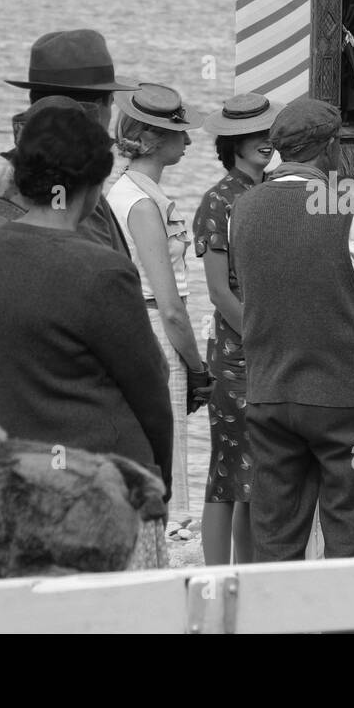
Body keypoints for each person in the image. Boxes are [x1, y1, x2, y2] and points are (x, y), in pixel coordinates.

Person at [0, 104, 173, 567]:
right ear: (95, 185)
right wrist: (158, 482)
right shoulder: (104, 271)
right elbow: (151, 392)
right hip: (109, 482)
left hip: (23, 482)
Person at [230, 96, 354, 562]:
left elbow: (252, 283)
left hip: (268, 392)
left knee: (276, 529)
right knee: (350, 524)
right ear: (329, 147)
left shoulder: (243, 207)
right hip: (342, 396)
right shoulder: (346, 205)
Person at [0, 29, 143, 417]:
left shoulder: (15, 179)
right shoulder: (68, 199)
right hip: (36, 413)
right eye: (109, 103)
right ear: (99, 109)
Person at [106, 84, 209, 524]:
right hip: (158, 334)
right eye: (177, 133)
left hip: (133, 329)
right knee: (166, 461)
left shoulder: (120, 192)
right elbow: (170, 306)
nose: (187, 140)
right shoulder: (145, 204)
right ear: (150, 139)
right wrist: (200, 369)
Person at [192, 93, 280, 565]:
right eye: (255, 136)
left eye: (270, 134)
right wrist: (262, 338)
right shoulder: (217, 201)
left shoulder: (269, 193)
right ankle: (214, 577)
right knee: (226, 472)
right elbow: (219, 293)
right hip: (236, 352)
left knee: (257, 475)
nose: (267, 142)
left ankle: (249, 580)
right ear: (232, 142)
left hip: (269, 349)